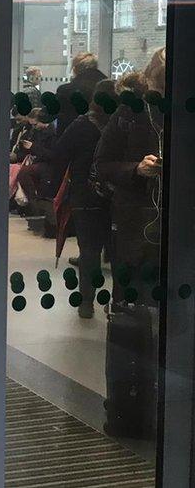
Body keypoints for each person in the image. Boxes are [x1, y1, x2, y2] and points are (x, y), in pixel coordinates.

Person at [94, 48, 166, 440]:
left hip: (171, 238)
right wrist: (136, 169)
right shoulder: (130, 112)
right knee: (130, 324)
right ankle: (126, 414)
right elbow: (102, 164)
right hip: (137, 234)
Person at [50, 79, 115, 319]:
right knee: (116, 250)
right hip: (115, 195)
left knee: (88, 250)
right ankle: (119, 301)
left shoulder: (82, 124)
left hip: (84, 193)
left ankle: (86, 303)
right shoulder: (120, 123)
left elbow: (60, 152)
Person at [56, 52, 107, 136]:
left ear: (75, 69)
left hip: (73, 140)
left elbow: (53, 116)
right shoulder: (109, 88)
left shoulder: (65, 90)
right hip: (102, 140)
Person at [14, 108, 58, 202]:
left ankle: (33, 200)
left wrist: (32, 147)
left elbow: (52, 155)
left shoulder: (53, 134)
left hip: (47, 163)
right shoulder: (35, 131)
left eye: (35, 124)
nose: (34, 127)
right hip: (37, 160)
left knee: (24, 172)